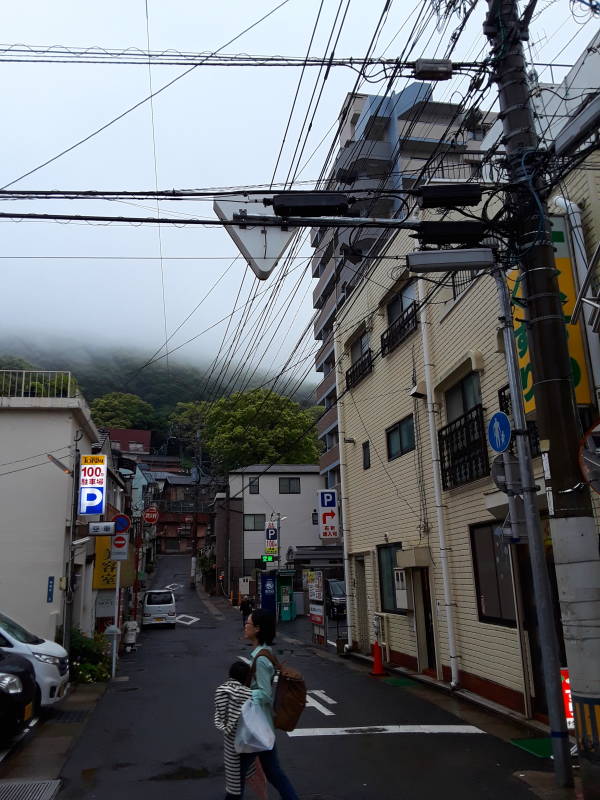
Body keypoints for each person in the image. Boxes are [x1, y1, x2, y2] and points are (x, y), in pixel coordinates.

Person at [240, 608, 300, 800]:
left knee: (238, 774)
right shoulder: (262, 654)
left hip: (256, 726)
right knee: (274, 772)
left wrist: (244, 692)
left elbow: (265, 694)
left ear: (257, 629)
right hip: (262, 726)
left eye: (248, 623)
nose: (245, 626)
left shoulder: (262, 659)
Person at [214, 661, 266, 800]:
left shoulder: (221, 691)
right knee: (240, 778)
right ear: (246, 678)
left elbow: (221, 716)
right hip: (247, 742)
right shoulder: (250, 694)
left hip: (231, 743)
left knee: (235, 778)